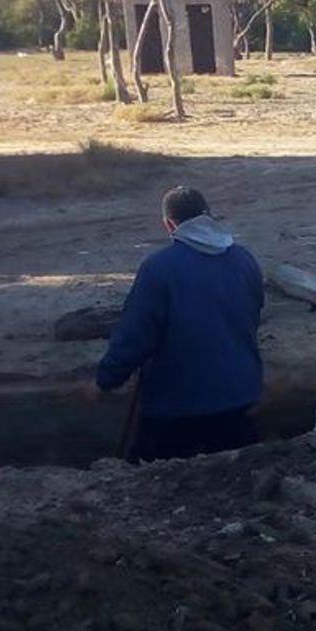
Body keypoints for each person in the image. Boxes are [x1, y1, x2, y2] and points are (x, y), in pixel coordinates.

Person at [97, 186, 264, 461]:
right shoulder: (245, 259)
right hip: (241, 396)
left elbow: (135, 337)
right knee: (238, 478)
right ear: (209, 216)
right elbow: (253, 315)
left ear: (169, 224)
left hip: (176, 407)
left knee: (151, 476)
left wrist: (106, 379)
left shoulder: (158, 268)